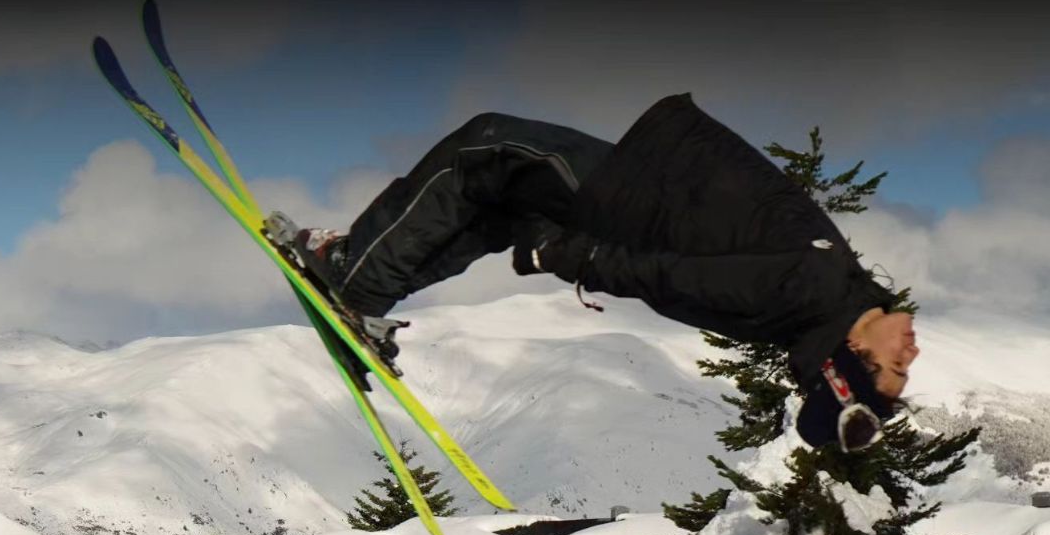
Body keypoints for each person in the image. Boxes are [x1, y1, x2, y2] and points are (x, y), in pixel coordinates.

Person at [288, 94, 920, 452]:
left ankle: (358, 279)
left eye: (894, 365)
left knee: (483, 148)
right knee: (501, 202)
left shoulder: (810, 292)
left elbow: (674, 280)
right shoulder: (833, 300)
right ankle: (365, 282)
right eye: (903, 366)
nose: (910, 352)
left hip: (630, 199)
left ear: (852, 354)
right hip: (646, 191)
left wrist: (574, 257)